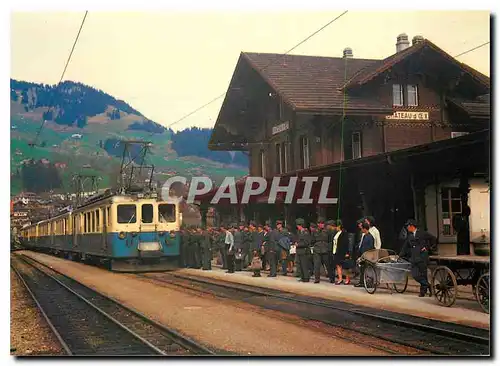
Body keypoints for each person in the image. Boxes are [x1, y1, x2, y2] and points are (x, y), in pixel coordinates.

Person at [399, 219, 437, 297]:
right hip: (414, 258)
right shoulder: (409, 236)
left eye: (408, 226)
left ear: (412, 226)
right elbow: (405, 247)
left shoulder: (422, 233)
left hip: (422, 256)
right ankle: (428, 285)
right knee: (415, 275)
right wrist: (400, 255)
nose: (407, 228)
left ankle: (423, 291)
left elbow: (433, 238)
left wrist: (427, 248)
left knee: (423, 274)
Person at [354, 222, 375, 287]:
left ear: (365, 229)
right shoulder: (365, 236)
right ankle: (362, 282)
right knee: (362, 269)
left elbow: (370, 247)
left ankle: (365, 283)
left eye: (362, 228)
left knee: (365, 269)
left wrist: (365, 254)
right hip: (363, 255)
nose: (361, 230)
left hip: (367, 256)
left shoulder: (370, 237)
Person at [331, 220, 351, 285]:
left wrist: (347, 252)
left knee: (345, 266)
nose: (335, 228)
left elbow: (346, 243)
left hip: (342, 251)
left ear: (339, 226)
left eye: (336, 226)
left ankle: (347, 279)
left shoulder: (344, 233)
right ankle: (340, 279)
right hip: (336, 251)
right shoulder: (336, 233)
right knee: (338, 265)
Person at [312, 217, 331, 283]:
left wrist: (329, 248)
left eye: (322, 223)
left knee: (328, 264)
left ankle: (331, 278)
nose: (321, 225)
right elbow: (312, 240)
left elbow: (330, 240)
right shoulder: (315, 231)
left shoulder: (327, 231)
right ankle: (317, 279)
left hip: (325, 249)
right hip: (317, 249)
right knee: (316, 265)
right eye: (319, 223)